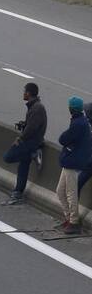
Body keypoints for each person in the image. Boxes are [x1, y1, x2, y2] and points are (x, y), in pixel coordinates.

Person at [1, 82, 47, 206]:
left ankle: (33, 154)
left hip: (31, 143)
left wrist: (20, 138)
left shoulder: (37, 108)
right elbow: (31, 124)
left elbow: (32, 128)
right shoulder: (34, 107)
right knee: (23, 167)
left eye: (24, 91)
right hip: (31, 141)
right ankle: (18, 192)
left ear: (28, 93)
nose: (23, 93)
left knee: (8, 157)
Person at [56, 96, 91, 235]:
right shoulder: (80, 122)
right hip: (69, 160)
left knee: (71, 193)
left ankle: (74, 222)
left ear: (71, 108)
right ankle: (68, 217)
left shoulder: (78, 124)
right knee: (60, 191)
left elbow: (63, 139)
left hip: (73, 161)